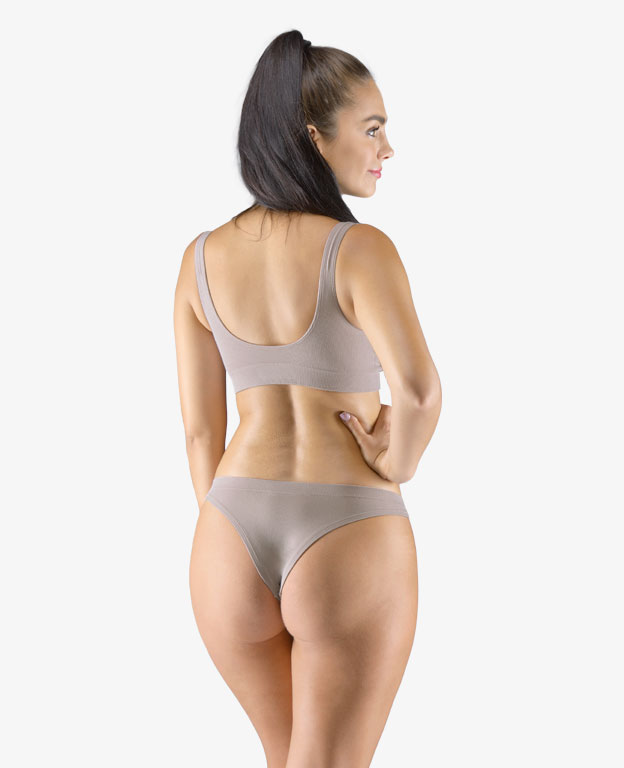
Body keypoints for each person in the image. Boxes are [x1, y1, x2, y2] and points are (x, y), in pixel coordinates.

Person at [173, 29, 442, 768]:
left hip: (227, 535)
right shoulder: (359, 249)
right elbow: (419, 392)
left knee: (286, 757)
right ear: (314, 137)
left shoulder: (199, 259)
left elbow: (199, 434)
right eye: (372, 129)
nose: (387, 149)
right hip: (345, 527)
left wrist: (226, 527)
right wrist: (397, 462)